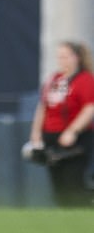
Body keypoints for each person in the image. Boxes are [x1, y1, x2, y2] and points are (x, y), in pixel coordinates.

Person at [27, 41, 94, 207]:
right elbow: (43, 106)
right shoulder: (54, 79)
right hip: (52, 136)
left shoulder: (85, 79)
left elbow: (89, 108)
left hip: (75, 139)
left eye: (65, 56)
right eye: (59, 57)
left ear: (76, 58)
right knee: (58, 184)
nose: (61, 60)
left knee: (74, 183)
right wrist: (36, 133)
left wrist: (73, 131)